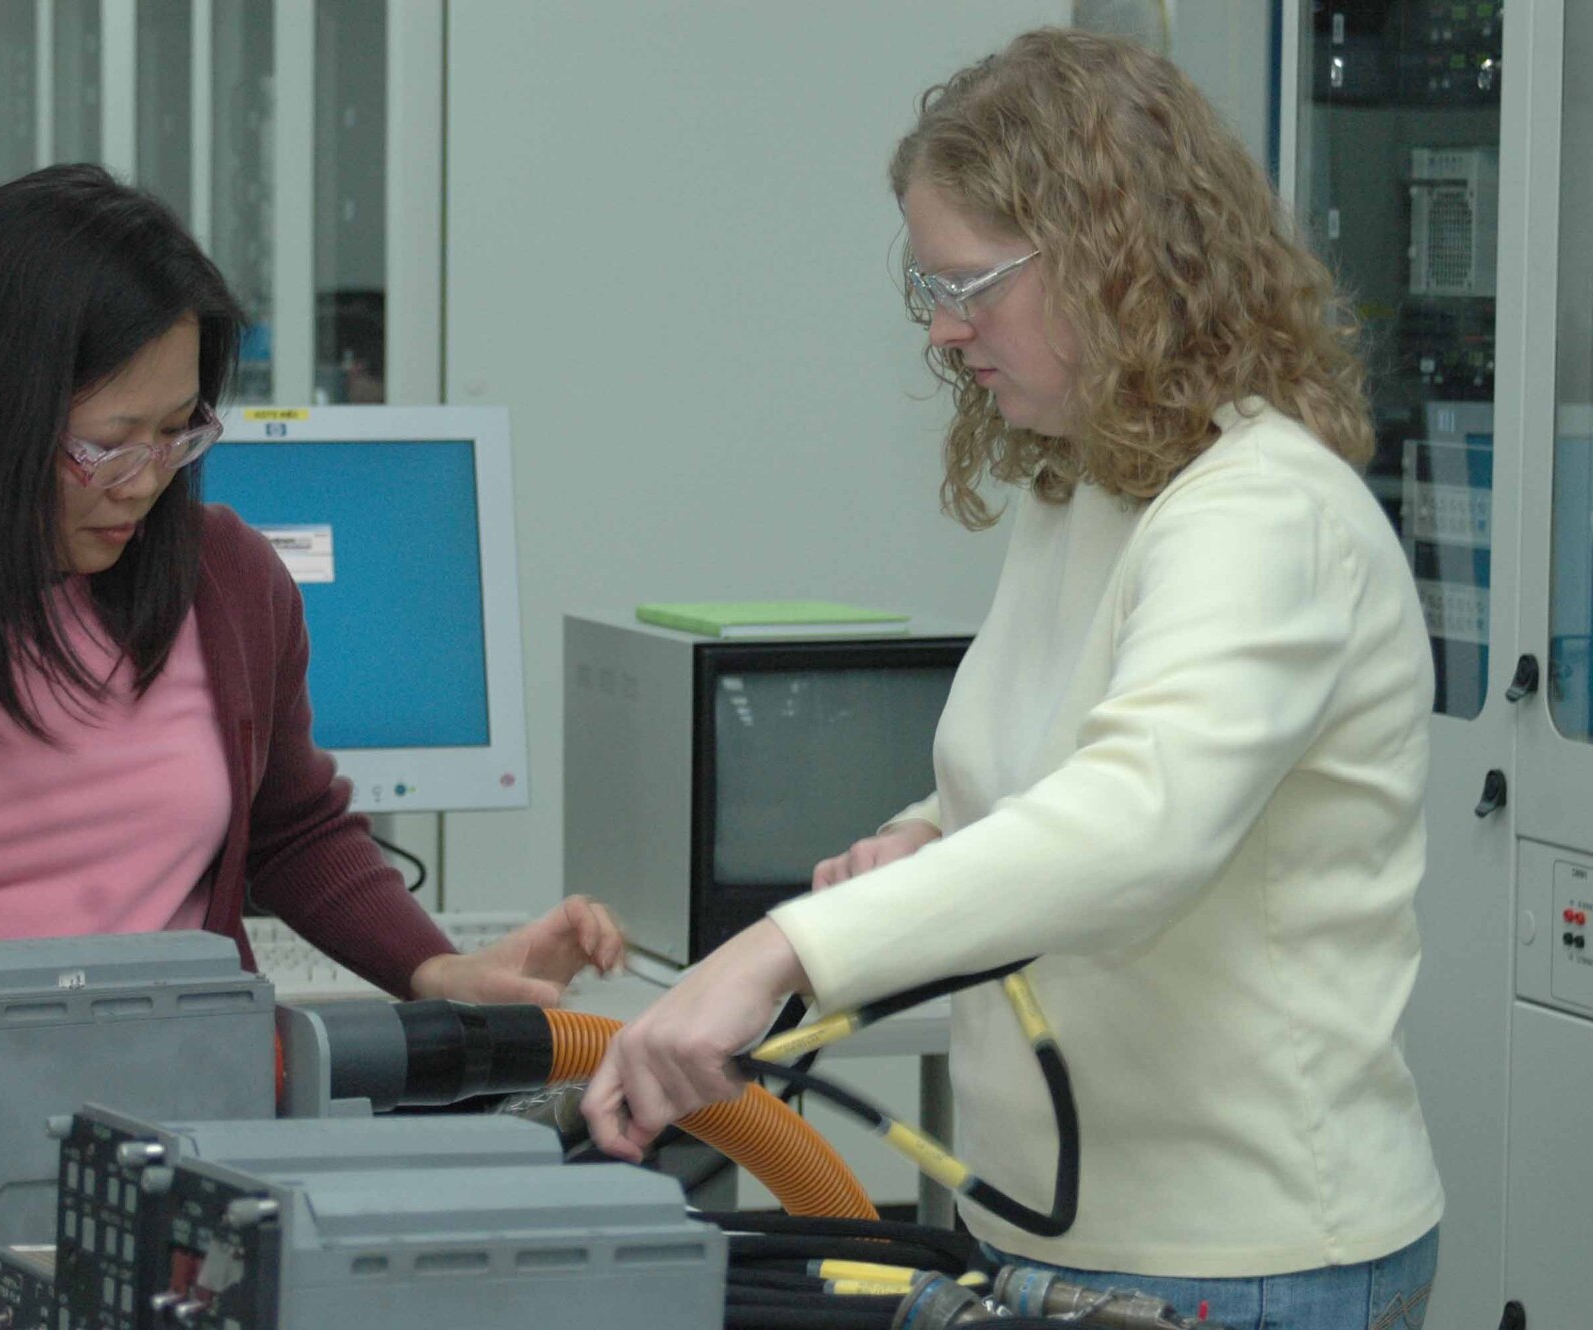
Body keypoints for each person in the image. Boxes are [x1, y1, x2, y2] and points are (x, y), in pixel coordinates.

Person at [585, 29, 1441, 1330]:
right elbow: (1038, 773)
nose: (944, 327)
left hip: (1233, 1264)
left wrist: (779, 950)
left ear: (1117, 260)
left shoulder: (1266, 511)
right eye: (929, 287)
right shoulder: (1085, 487)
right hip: (1035, 1228)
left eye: (974, 282)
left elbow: (1138, 818)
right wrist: (918, 844)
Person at [0, 164, 622, 1110]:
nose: (147, 479)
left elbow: (293, 828)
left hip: (194, 1151)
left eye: (176, 432)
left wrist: (435, 970)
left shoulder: (228, 582)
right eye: (106, 445)